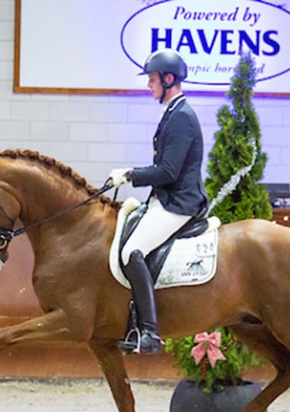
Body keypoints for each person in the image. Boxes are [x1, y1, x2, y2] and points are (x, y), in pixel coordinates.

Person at [109, 49, 208, 354]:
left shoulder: (181, 117)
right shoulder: (172, 112)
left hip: (179, 203)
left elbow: (168, 171)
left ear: (168, 79)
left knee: (132, 251)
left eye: (152, 79)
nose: (149, 85)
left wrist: (130, 174)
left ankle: (150, 333)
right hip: (165, 199)